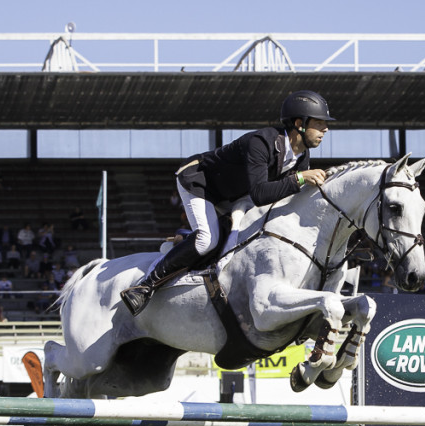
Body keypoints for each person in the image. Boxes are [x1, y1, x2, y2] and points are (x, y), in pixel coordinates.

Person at [120, 90, 336, 315]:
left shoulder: (301, 157)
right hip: (200, 182)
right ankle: (145, 286)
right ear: (299, 123)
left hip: (233, 196)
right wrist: (300, 178)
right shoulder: (261, 142)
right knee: (207, 241)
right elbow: (261, 194)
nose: (326, 129)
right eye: (319, 123)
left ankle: (183, 240)